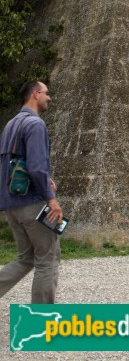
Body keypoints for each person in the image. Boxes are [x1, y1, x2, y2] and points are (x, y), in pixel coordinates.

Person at [0, 80, 63, 303]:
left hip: (11, 205)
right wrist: (51, 199)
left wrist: (45, 177)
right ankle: (41, 318)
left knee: (25, 258)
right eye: (46, 93)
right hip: (33, 203)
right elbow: (36, 166)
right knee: (48, 260)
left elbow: (13, 164)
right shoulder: (35, 124)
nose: (49, 97)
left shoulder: (11, 124)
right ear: (35, 94)